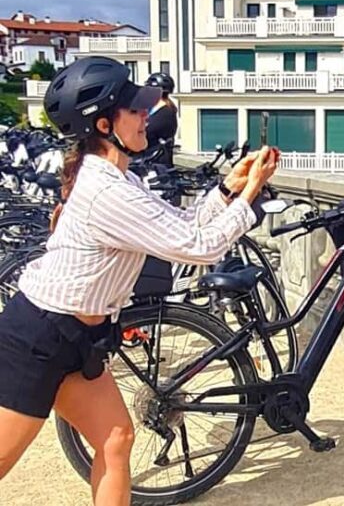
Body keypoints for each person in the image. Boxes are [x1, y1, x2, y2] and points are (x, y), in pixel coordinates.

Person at [0, 56, 278, 506]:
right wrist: (250, 195)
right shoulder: (106, 190)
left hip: (79, 338)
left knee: (115, 441)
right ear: (106, 124)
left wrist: (229, 189)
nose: (147, 113)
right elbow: (202, 247)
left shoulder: (117, 180)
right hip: (38, 337)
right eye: (136, 109)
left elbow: (182, 226)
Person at [144, 72, 178, 167]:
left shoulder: (165, 113)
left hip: (157, 164)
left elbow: (147, 131)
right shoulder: (152, 108)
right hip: (151, 161)